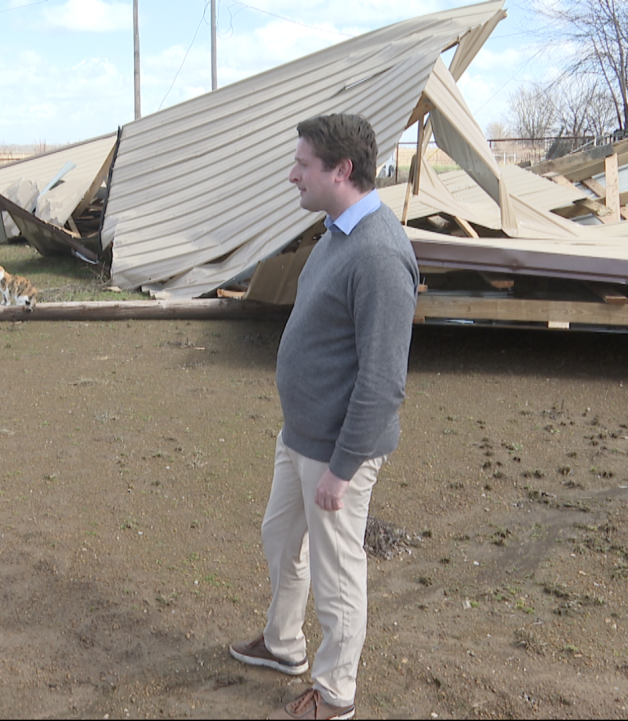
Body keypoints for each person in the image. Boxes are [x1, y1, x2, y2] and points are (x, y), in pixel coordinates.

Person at [229, 115, 419, 721]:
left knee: (337, 572)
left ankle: (336, 694)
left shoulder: (381, 254)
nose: (293, 175)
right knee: (280, 538)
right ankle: (283, 645)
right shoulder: (337, 233)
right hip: (301, 437)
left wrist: (342, 468)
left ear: (342, 170)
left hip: (338, 452)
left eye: (303, 165)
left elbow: (384, 381)